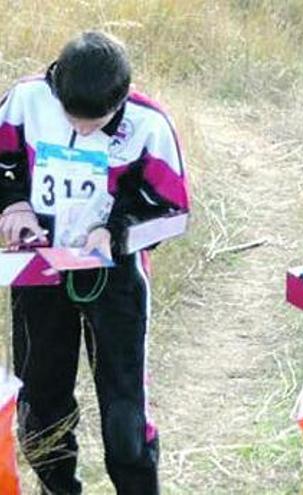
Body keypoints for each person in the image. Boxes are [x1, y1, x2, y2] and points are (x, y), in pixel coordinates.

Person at [0, 31, 189, 494]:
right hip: (37, 271)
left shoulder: (150, 125)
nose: (84, 130)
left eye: (98, 122)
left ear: (122, 98)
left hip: (114, 280)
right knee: (41, 400)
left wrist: (118, 232)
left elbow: (173, 212)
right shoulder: (24, 101)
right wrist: (12, 204)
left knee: (125, 411)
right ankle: (57, 486)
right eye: (71, 118)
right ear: (56, 85)